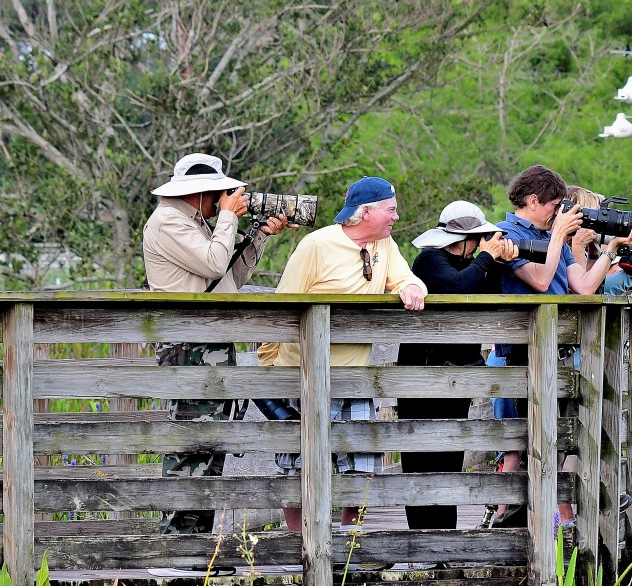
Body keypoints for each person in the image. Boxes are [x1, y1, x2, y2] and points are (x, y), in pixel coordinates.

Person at [142, 153, 292, 577]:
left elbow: (226, 282)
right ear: (200, 193)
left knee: (210, 448)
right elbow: (211, 262)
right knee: (189, 447)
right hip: (188, 346)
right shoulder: (168, 221)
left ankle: (196, 553)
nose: (227, 200)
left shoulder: (197, 223)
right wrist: (228, 218)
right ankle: (174, 551)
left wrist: (259, 235)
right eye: (220, 194)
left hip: (209, 344)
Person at [257, 176, 428, 533]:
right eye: (390, 210)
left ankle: (352, 540)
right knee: (296, 467)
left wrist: (413, 286)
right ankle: (298, 543)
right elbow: (281, 306)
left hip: (354, 378)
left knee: (363, 466)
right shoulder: (315, 245)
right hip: (302, 374)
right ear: (366, 212)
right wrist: (268, 369)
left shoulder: (385, 244)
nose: (396, 217)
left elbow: (406, 278)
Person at [490, 165, 632, 529]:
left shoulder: (551, 237)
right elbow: (542, 282)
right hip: (525, 354)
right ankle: (520, 523)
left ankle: (557, 521)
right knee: (532, 442)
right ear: (533, 201)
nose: (560, 213)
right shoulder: (507, 235)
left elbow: (585, 287)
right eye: (555, 205)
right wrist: (560, 235)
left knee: (563, 439)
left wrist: (611, 250)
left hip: (559, 352)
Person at [394, 201, 518, 537]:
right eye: (476, 239)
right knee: (420, 459)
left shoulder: (474, 265)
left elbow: (489, 295)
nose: (479, 245)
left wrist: (499, 264)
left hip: (457, 375)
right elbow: (458, 286)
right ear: (460, 238)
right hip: (422, 375)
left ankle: (445, 539)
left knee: (450, 455)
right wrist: (487, 258)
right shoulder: (429, 259)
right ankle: (422, 539)